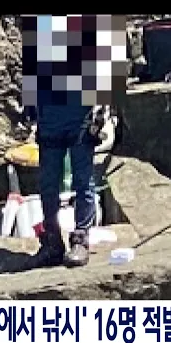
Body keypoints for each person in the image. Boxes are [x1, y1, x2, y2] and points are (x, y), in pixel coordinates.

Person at [25, 104, 110, 268]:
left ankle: (81, 239)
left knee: (83, 180)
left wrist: (101, 111)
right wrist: (29, 110)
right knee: (48, 184)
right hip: (48, 116)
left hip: (80, 114)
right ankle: (52, 242)